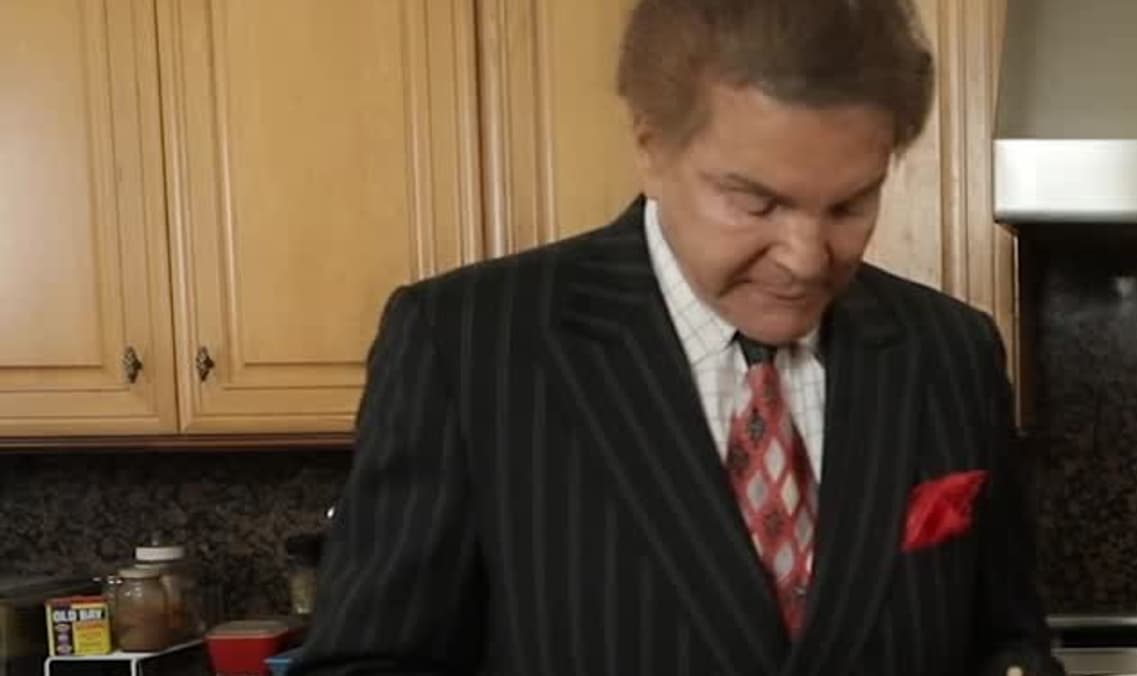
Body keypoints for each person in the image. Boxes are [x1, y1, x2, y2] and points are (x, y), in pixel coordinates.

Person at [290, 1, 1060, 674]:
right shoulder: (467, 345)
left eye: (850, 205)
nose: (805, 258)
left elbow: (1004, 643)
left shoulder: (951, 352)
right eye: (755, 203)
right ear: (652, 147)